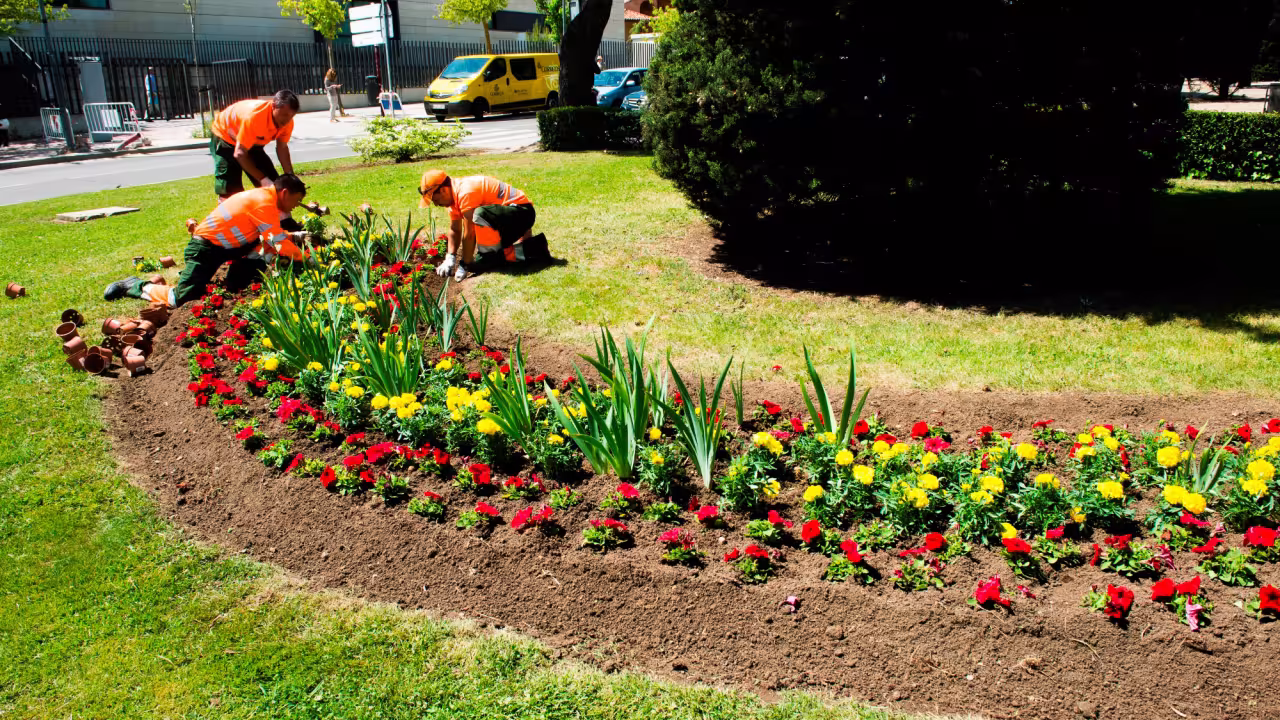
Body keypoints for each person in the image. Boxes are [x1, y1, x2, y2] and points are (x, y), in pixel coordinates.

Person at [104, 174, 310, 308]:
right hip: (206, 249)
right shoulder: (263, 203)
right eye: (296, 200)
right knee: (181, 299)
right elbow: (280, 241)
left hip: (230, 246)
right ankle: (136, 286)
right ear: (284, 193)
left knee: (263, 249)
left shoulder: (265, 198)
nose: (296, 206)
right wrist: (311, 263)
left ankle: (237, 281)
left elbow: (272, 237)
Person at [418, 169, 551, 281]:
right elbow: (455, 229)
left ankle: (492, 258)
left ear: (443, 190)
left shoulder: (465, 192)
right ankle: (533, 248)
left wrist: (465, 264)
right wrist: (450, 257)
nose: (436, 204)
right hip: (511, 216)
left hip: (521, 214)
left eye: (435, 200)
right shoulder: (453, 198)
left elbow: (469, 233)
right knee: (485, 257)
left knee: (479, 216)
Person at [209, 90, 299, 200]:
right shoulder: (255, 117)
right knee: (231, 191)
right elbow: (240, 153)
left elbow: (282, 148)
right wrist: (263, 179)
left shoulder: (287, 123)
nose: (287, 120)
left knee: (275, 187)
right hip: (225, 138)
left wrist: (290, 175)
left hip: (251, 142)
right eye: (284, 115)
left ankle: (274, 214)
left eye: (291, 116)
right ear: (274, 106)